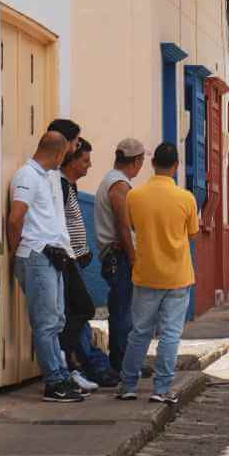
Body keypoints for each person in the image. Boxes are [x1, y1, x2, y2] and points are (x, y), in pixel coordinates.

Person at [117, 142, 198, 407]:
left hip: (146, 272)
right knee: (170, 335)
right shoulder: (186, 198)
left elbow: (132, 226)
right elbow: (192, 232)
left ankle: (127, 385)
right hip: (177, 275)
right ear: (176, 166)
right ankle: (161, 388)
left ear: (152, 164)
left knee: (139, 332)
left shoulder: (134, 196)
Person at [6, 130, 84, 403]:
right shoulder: (27, 176)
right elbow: (16, 219)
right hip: (37, 255)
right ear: (58, 153)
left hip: (51, 256)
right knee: (46, 322)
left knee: (57, 319)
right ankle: (54, 382)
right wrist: (18, 253)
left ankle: (60, 375)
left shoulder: (44, 176)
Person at [59, 138, 119, 390]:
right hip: (67, 261)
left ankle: (87, 363)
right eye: (84, 160)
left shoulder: (70, 187)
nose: (89, 165)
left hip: (77, 261)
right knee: (81, 311)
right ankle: (77, 360)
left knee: (80, 316)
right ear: (71, 160)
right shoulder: (61, 187)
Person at [95, 139, 146, 373]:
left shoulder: (113, 181)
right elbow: (123, 226)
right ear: (136, 161)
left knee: (122, 310)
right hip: (120, 256)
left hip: (117, 255)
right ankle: (125, 364)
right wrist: (133, 257)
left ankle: (124, 363)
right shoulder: (119, 185)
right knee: (123, 312)